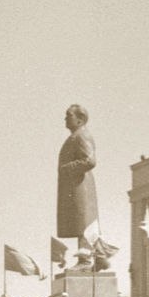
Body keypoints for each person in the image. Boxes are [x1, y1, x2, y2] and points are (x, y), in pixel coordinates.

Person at [57, 104, 99, 244]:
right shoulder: (75, 136)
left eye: (69, 115)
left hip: (80, 184)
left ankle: (86, 259)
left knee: (83, 222)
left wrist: (67, 168)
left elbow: (90, 161)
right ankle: (98, 256)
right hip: (75, 184)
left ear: (80, 119)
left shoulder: (81, 135)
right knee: (80, 222)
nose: (65, 119)